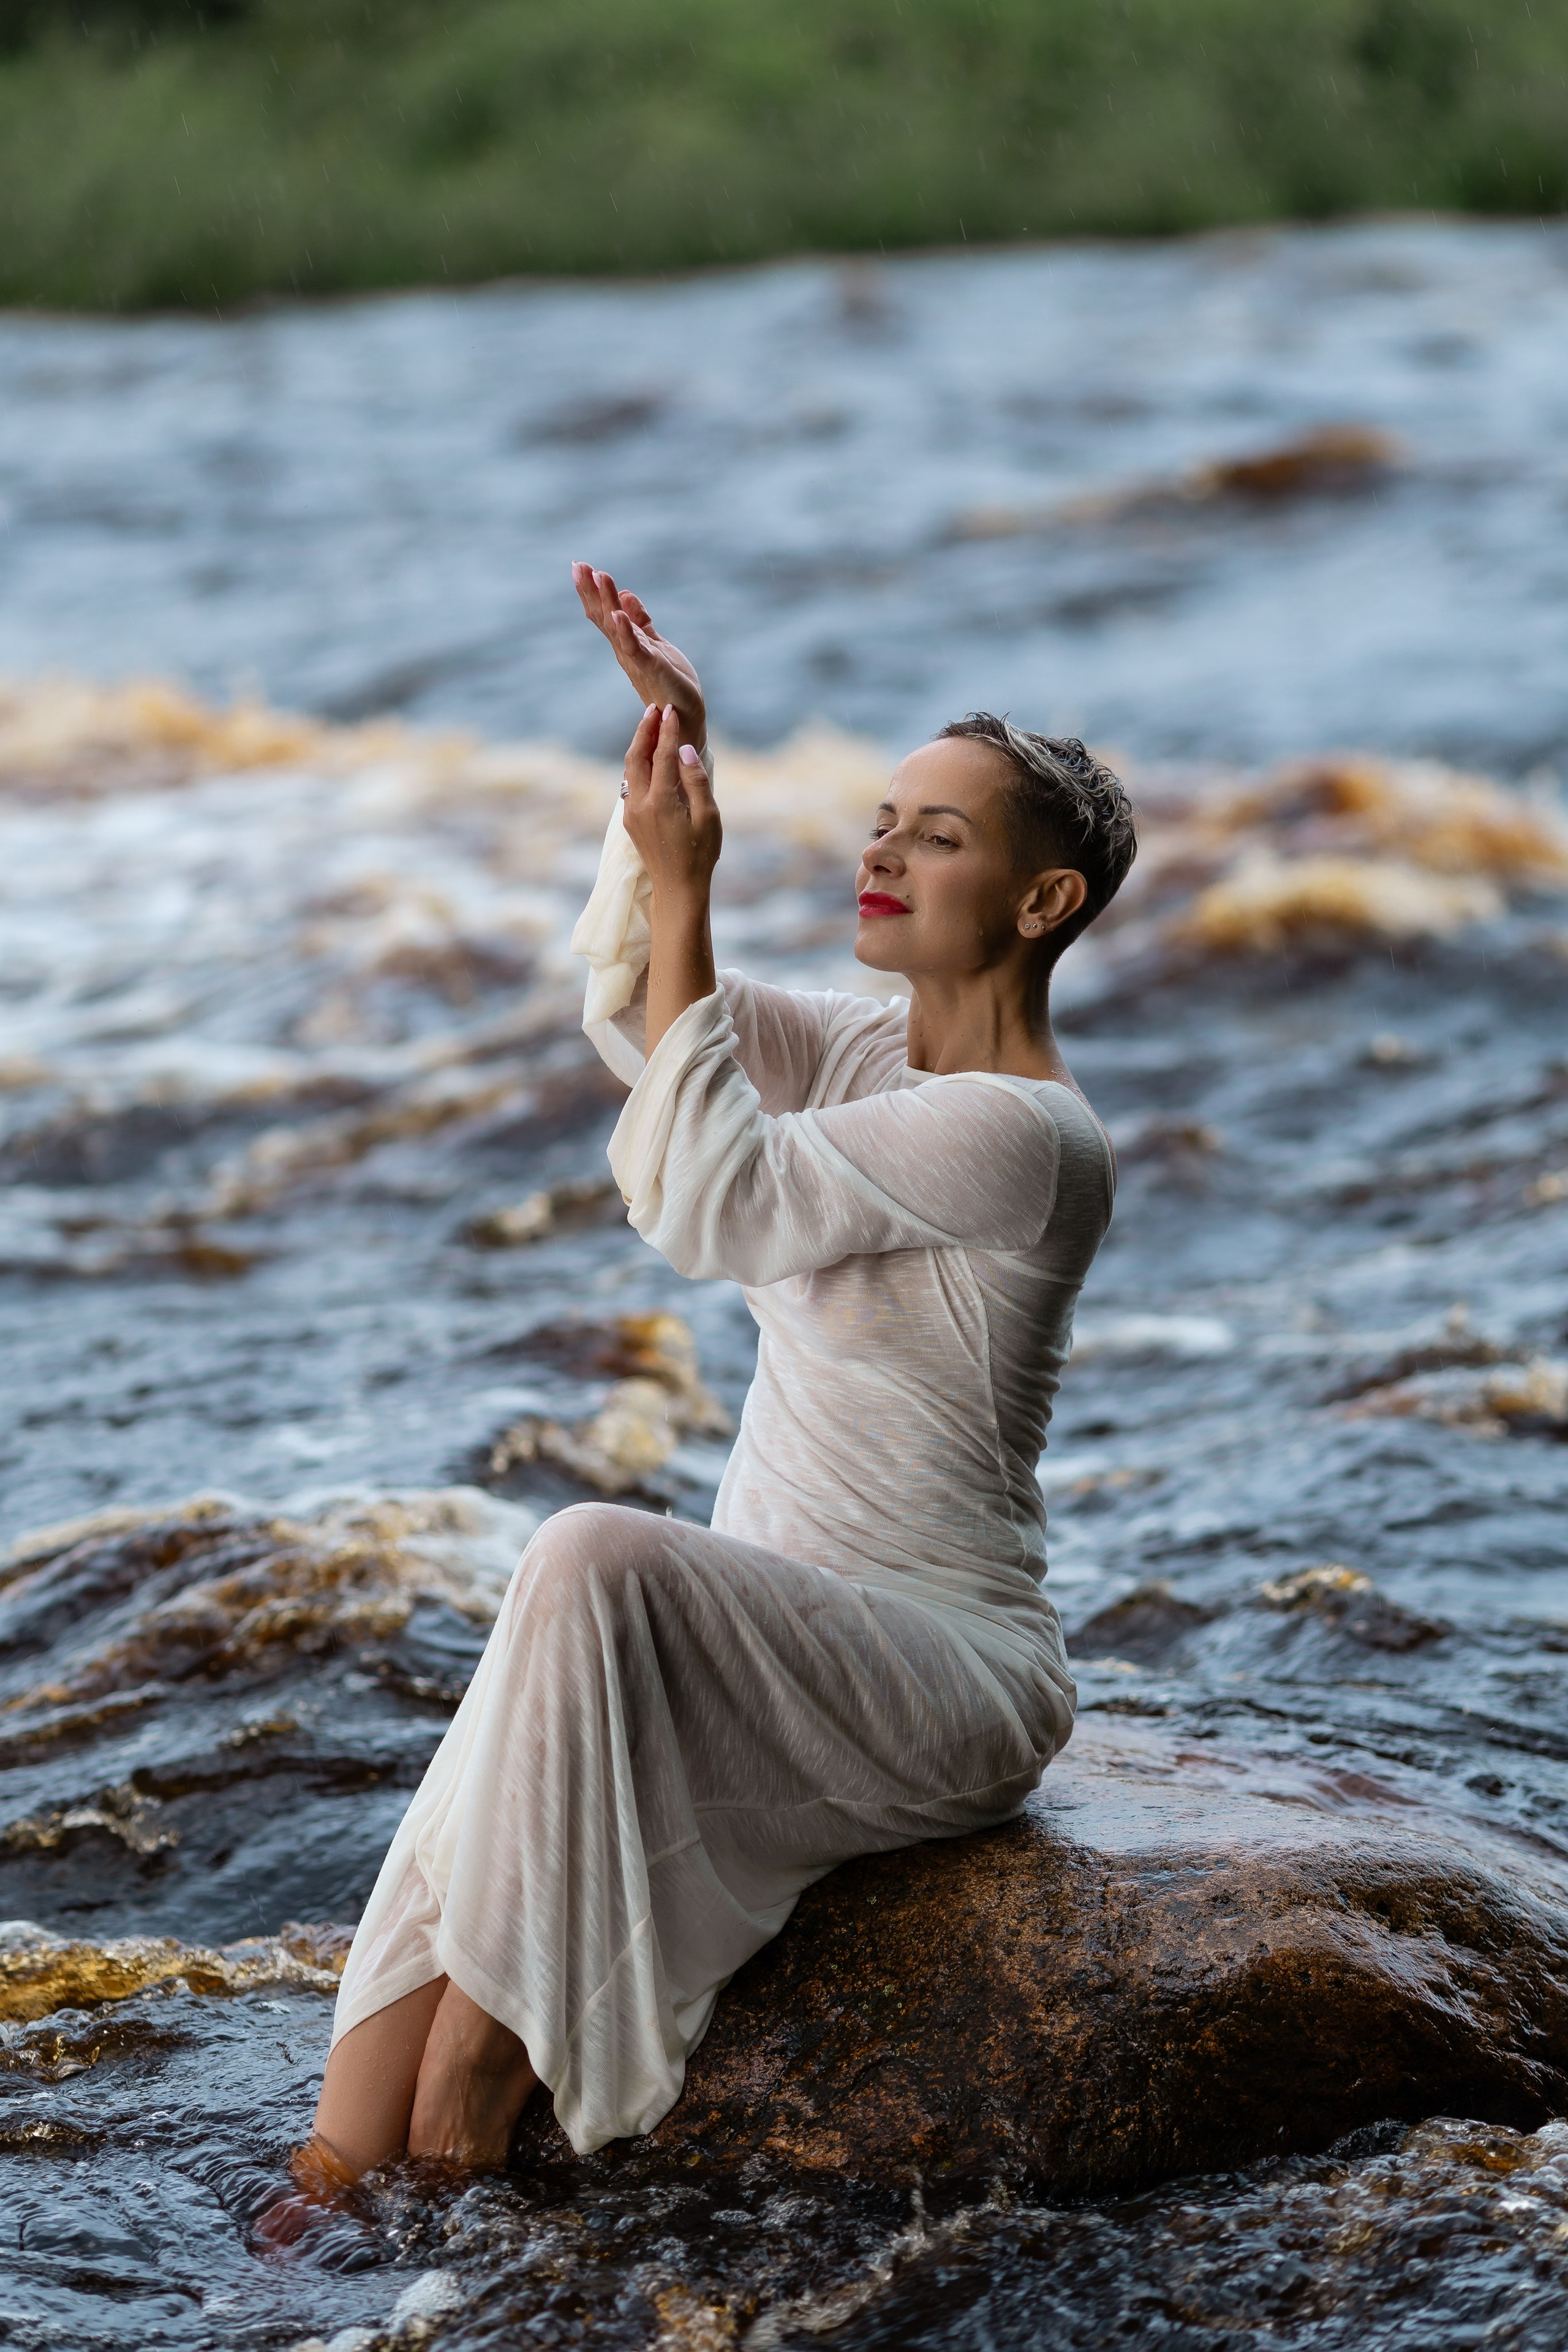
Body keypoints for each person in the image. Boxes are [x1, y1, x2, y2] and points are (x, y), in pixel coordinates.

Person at [281, 565, 1135, 2202]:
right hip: (782, 1624)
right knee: (527, 1686)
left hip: (949, 1666)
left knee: (586, 1557)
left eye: (937, 835)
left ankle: (467, 2112)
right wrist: (670, 759)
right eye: (883, 817)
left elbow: (711, 1196)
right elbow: (636, 1020)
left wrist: (693, 898)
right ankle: (335, 2171)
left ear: (1045, 904)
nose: (880, 851)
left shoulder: (1032, 1138)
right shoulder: (870, 1051)